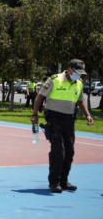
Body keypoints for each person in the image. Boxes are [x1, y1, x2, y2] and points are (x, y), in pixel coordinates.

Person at [31, 59, 93, 193]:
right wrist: (35, 114)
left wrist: (88, 114)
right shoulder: (54, 80)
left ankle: (64, 181)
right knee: (58, 151)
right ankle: (54, 182)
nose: (79, 75)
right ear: (69, 69)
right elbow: (40, 97)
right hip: (54, 119)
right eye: (77, 72)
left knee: (69, 152)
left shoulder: (79, 83)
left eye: (81, 73)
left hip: (69, 120)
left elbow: (80, 101)